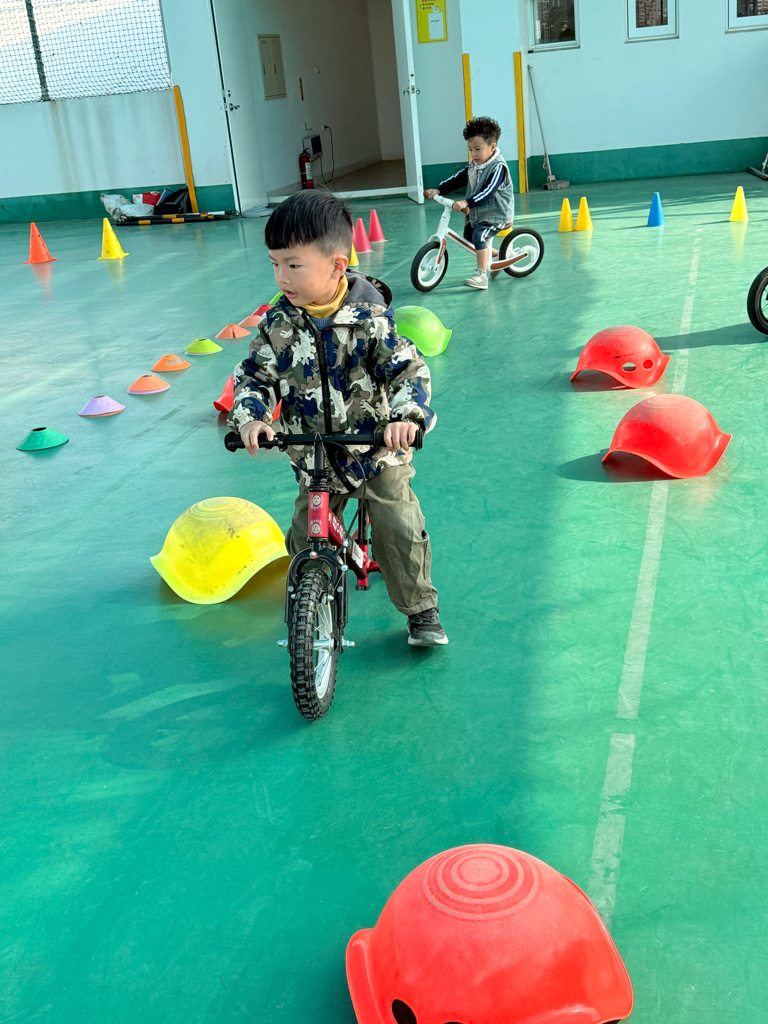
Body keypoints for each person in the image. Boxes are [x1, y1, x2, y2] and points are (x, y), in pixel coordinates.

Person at [228, 190, 448, 647]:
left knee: (398, 527)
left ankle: (420, 609)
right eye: (275, 264)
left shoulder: (371, 321)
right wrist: (251, 418)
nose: (281, 277)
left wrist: (406, 417)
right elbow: (254, 377)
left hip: (374, 450)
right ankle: (309, 606)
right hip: (315, 457)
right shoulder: (277, 326)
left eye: (294, 265)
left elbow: (409, 371)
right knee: (301, 541)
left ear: (336, 266)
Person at [424, 115, 514, 291]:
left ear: (492, 147)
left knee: (479, 236)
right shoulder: (475, 165)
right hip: (480, 214)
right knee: (469, 234)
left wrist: (467, 202)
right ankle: (496, 256)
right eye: (470, 149)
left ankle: (481, 275)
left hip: (497, 215)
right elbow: (458, 179)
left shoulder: (498, 168)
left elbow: (488, 192)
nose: (473, 154)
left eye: (478, 149)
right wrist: (439, 190)